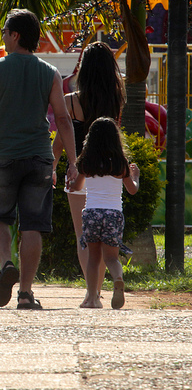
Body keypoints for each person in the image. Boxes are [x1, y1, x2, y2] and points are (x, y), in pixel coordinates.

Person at [0, 8, 78, 310]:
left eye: (4, 31)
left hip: (4, 156)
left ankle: (6, 264)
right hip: (39, 158)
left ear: (15, 35)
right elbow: (64, 120)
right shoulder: (50, 73)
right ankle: (26, 294)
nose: (2, 36)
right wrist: (75, 163)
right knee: (32, 225)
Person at [52, 41, 126, 303]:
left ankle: (91, 293)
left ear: (83, 68)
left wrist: (52, 166)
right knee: (105, 242)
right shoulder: (117, 99)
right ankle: (98, 290)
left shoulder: (71, 102)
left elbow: (60, 141)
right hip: (108, 175)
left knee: (84, 236)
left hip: (78, 172)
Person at [71, 117, 140, 309]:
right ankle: (118, 278)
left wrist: (75, 178)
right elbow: (132, 190)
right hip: (113, 214)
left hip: (92, 213)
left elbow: (76, 187)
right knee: (111, 258)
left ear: (90, 139)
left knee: (93, 258)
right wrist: (136, 176)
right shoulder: (120, 163)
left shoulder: (86, 161)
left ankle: (92, 298)